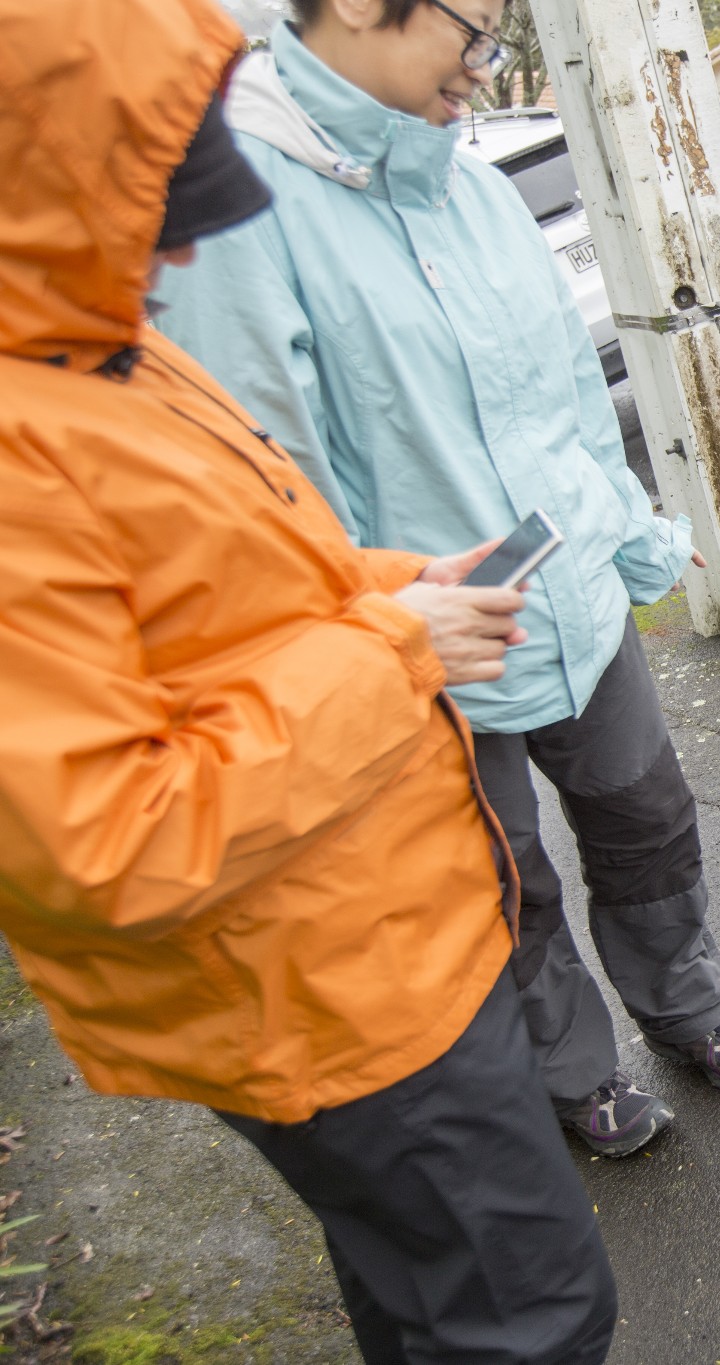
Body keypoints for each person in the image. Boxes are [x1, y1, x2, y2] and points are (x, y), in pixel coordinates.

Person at [0, 1, 617, 1358]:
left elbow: (230, 580)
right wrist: (396, 650)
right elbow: (109, 837)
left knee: (424, 1290)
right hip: (326, 999)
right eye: (150, 200)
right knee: (535, 1317)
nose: (185, 243)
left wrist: (389, 584)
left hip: (371, 937)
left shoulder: (98, 348)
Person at [155, 0, 720, 1160]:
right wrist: (370, 638)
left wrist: (635, 530)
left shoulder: (474, 185)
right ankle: (572, 1075)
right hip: (422, 645)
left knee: (648, 823)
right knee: (507, 881)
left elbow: (562, 406)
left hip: (574, 598)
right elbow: (255, 492)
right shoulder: (238, 206)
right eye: (475, 31)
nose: (488, 70)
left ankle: (690, 1011)